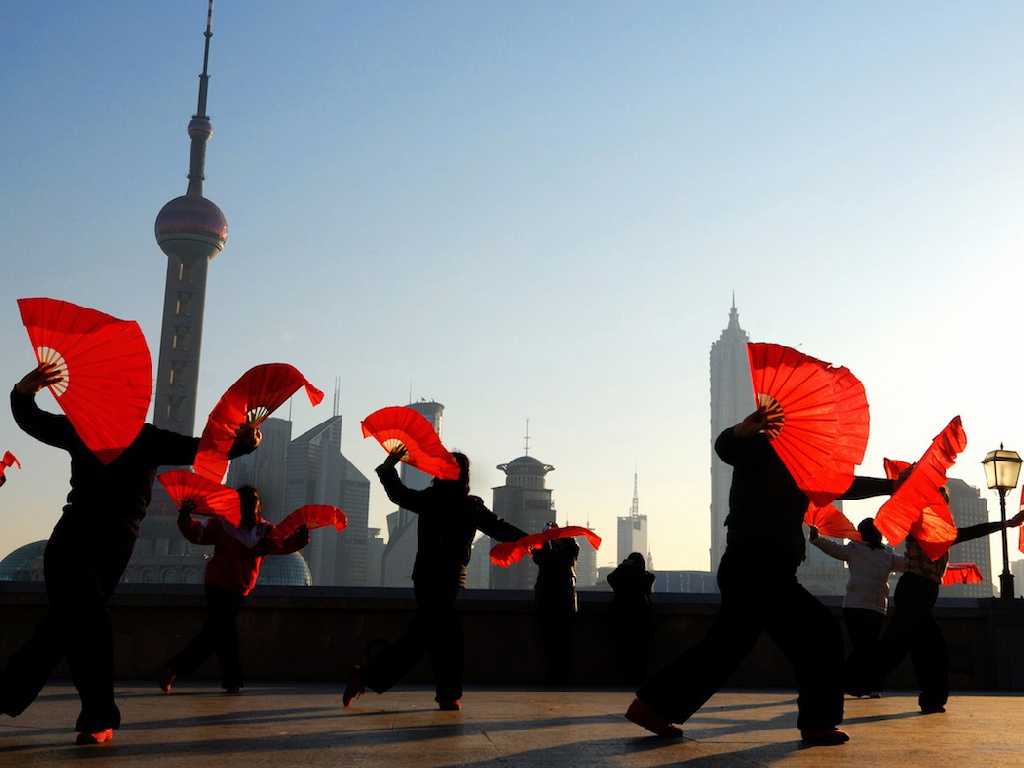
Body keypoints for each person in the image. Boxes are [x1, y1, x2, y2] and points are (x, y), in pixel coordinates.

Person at [0, 362, 261, 745]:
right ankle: (98, 717)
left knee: (58, 631)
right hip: (71, 547)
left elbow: (202, 448)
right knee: (92, 627)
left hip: (111, 556)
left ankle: (7, 693)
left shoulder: (149, 438)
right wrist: (24, 391)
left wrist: (245, 443)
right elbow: (33, 420)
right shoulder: (85, 428)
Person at [625, 407, 895, 745]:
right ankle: (817, 723)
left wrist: (894, 485)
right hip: (758, 566)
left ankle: (652, 706)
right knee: (821, 636)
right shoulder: (763, 447)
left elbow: (844, 485)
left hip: (757, 567)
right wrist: (741, 429)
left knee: (726, 647)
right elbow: (726, 448)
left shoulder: (803, 467)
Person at [343, 447, 527, 710]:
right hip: (435, 578)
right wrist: (387, 468)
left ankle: (368, 676)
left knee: (423, 637)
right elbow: (499, 527)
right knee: (450, 634)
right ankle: (446, 695)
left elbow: (499, 527)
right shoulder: (457, 503)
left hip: (440, 579)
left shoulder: (457, 503)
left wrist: (532, 540)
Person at [846, 504, 1024, 713]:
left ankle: (929, 698)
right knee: (902, 645)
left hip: (923, 592)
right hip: (915, 591)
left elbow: (965, 533)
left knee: (924, 646)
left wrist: (1005, 524)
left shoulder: (940, 531)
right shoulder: (919, 527)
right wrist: (1005, 524)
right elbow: (964, 533)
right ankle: (852, 681)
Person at [160, 486, 309, 694]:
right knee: (225, 632)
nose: (248, 506)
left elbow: (283, 545)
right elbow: (197, 533)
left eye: (252, 502)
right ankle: (232, 680)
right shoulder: (223, 525)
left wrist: (301, 538)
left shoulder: (265, 532)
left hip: (239, 590)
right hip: (218, 585)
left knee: (215, 634)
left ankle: (173, 668)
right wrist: (186, 518)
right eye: (244, 502)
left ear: (258, 506)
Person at [809, 518, 905, 697]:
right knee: (864, 647)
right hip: (857, 606)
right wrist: (817, 539)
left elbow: (906, 564)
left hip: (874, 607)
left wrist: (925, 555)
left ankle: (855, 685)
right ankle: (863, 685)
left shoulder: (887, 554)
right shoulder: (856, 549)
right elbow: (835, 549)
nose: (879, 534)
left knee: (866, 648)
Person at [531, 523, 579, 685]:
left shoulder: (570, 548)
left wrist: (560, 539)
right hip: (548, 600)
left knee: (563, 641)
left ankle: (562, 675)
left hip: (563, 601)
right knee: (550, 641)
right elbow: (540, 560)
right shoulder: (546, 550)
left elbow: (557, 559)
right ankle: (553, 674)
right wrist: (542, 544)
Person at [607, 552, 656, 684]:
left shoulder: (626, 578)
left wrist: (623, 567)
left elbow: (611, 578)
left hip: (624, 618)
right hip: (642, 620)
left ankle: (627, 678)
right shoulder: (647, 577)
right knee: (640, 652)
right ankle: (637, 678)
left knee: (626, 652)